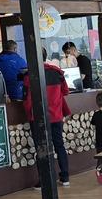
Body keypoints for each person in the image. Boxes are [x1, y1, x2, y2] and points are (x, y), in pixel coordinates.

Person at [23, 47, 72, 187]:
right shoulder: (57, 73)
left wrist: (30, 114)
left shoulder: (29, 76)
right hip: (56, 116)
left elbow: (26, 100)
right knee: (59, 145)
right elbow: (65, 91)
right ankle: (65, 177)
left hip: (38, 117)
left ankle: (45, 180)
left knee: (42, 147)